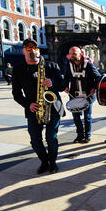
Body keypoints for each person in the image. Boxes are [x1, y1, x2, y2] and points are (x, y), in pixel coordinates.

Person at [12, 38, 65, 174]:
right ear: (23, 51)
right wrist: (28, 104)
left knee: (51, 138)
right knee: (35, 140)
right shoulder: (18, 69)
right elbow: (16, 94)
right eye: (28, 48)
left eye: (34, 48)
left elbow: (63, 85)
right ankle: (44, 162)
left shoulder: (52, 66)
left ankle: (53, 163)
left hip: (53, 107)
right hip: (33, 109)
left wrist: (52, 83)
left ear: (38, 50)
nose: (32, 50)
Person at [63, 46, 101, 144]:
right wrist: (65, 86)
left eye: (74, 53)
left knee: (87, 117)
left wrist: (94, 88)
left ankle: (87, 136)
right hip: (74, 95)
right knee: (76, 117)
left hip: (87, 95)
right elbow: (66, 77)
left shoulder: (88, 65)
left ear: (80, 54)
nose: (72, 55)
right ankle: (79, 135)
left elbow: (98, 77)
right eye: (70, 53)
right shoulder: (68, 64)